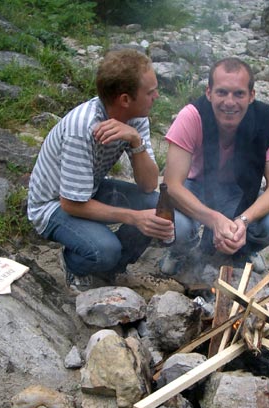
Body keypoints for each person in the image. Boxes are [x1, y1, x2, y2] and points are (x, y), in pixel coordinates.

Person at [27, 49, 174, 291]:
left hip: (88, 189)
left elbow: (148, 185)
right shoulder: (82, 129)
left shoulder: (136, 117)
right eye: (150, 92)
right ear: (125, 99)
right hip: (52, 204)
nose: (156, 96)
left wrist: (136, 142)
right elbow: (70, 204)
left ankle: (110, 270)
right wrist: (134, 217)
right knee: (106, 249)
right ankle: (74, 263)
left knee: (154, 204)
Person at [160, 57, 269, 275]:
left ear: (251, 96)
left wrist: (243, 221)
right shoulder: (192, 116)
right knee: (177, 226)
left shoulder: (265, 119)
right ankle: (181, 251)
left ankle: (244, 248)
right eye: (222, 92)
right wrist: (214, 219)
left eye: (239, 94)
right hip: (195, 187)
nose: (229, 102)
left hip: (240, 192)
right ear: (209, 92)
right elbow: (172, 185)